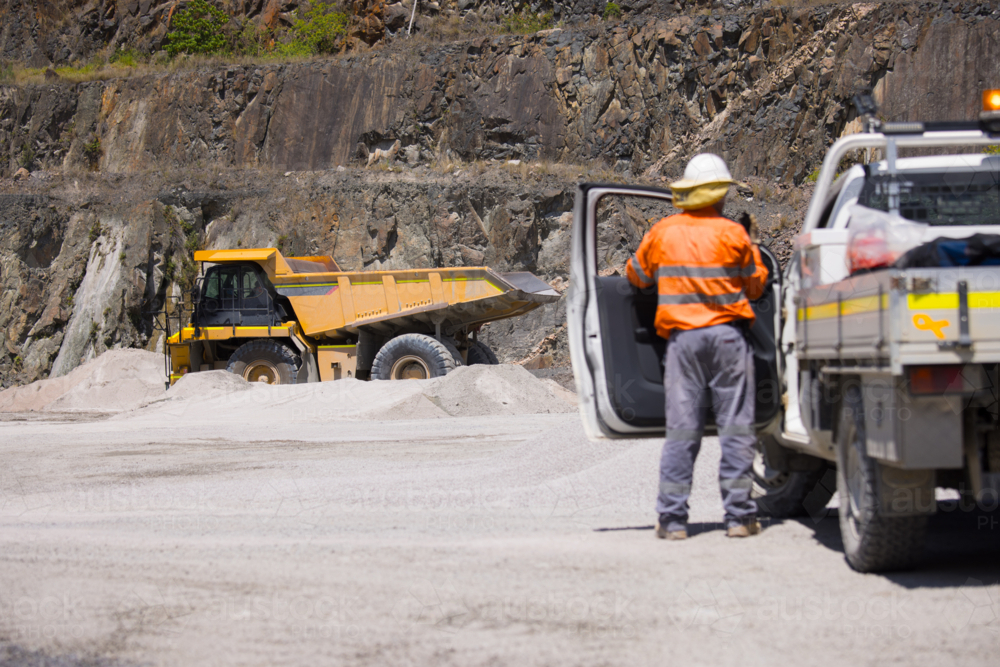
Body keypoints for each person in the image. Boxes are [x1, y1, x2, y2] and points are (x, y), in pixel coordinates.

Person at [625, 154, 769, 540]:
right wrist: (751, 246)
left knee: (683, 431)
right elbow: (756, 287)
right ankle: (739, 517)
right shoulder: (734, 234)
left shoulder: (662, 231)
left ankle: (672, 521)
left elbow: (636, 278)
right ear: (720, 194)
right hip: (727, 340)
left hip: (683, 344)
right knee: (736, 428)